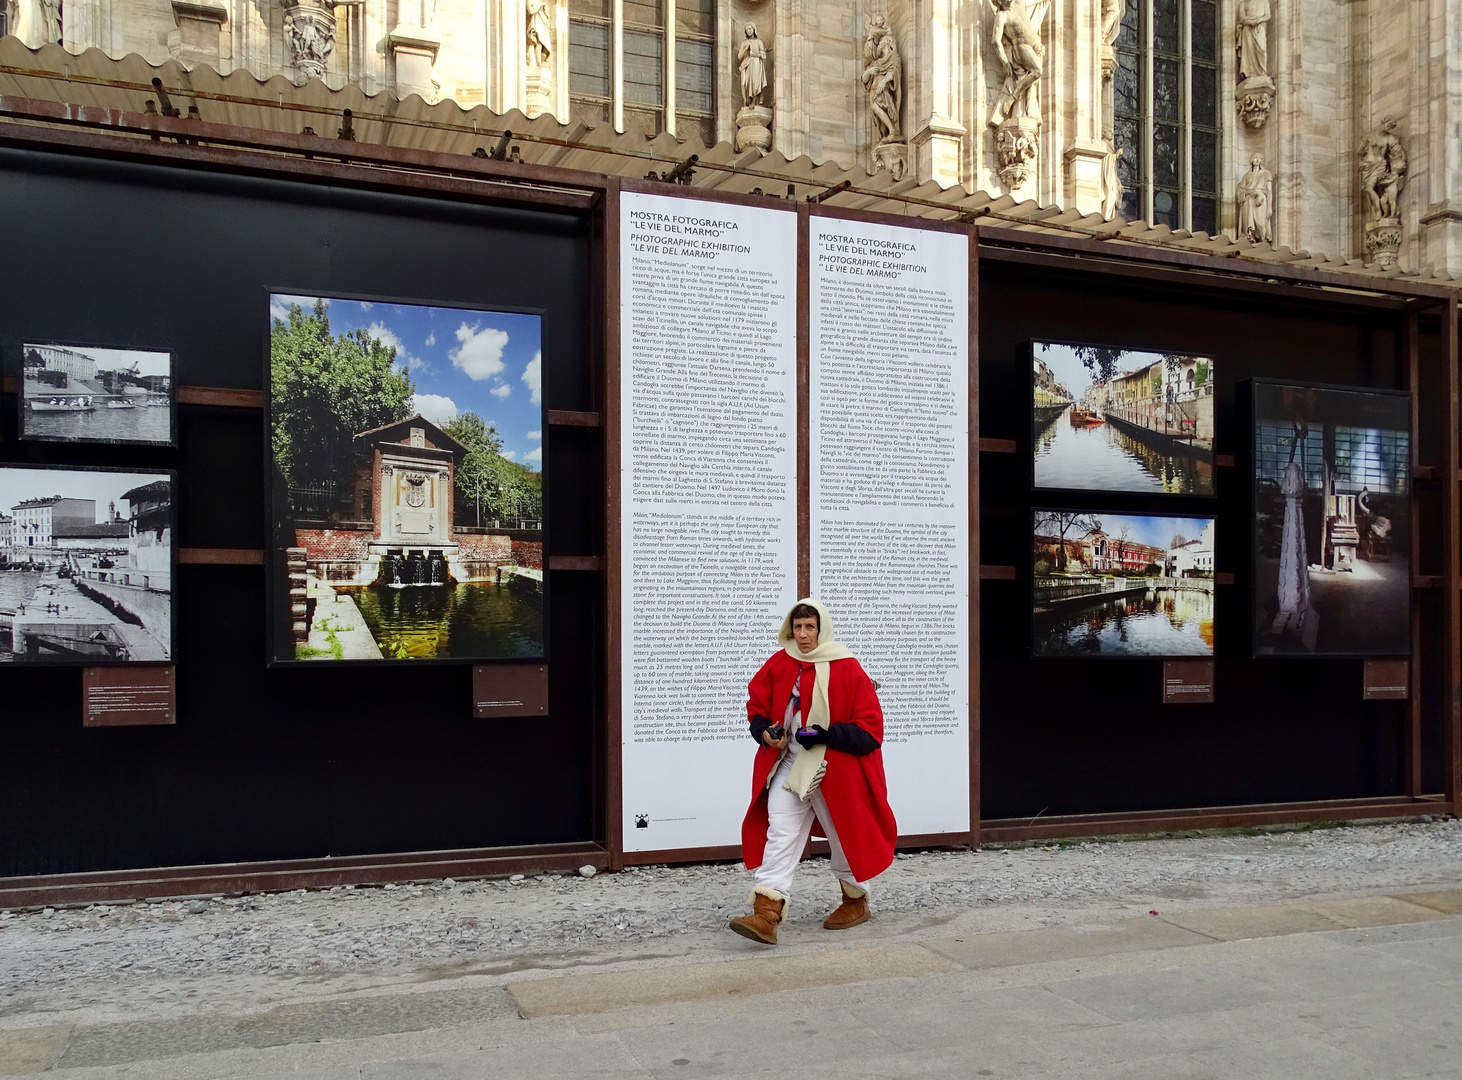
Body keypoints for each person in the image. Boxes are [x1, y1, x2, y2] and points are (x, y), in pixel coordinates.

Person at [728, 598, 897, 946]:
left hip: (833, 771)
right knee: (781, 833)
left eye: (810, 627)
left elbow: (870, 732)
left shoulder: (848, 668)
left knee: (843, 837)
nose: (802, 635)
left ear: (822, 629)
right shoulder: (779, 663)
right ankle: (766, 914)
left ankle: (856, 900)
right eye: (798, 626)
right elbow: (756, 708)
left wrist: (826, 733)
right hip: (790, 765)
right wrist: (765, 732)